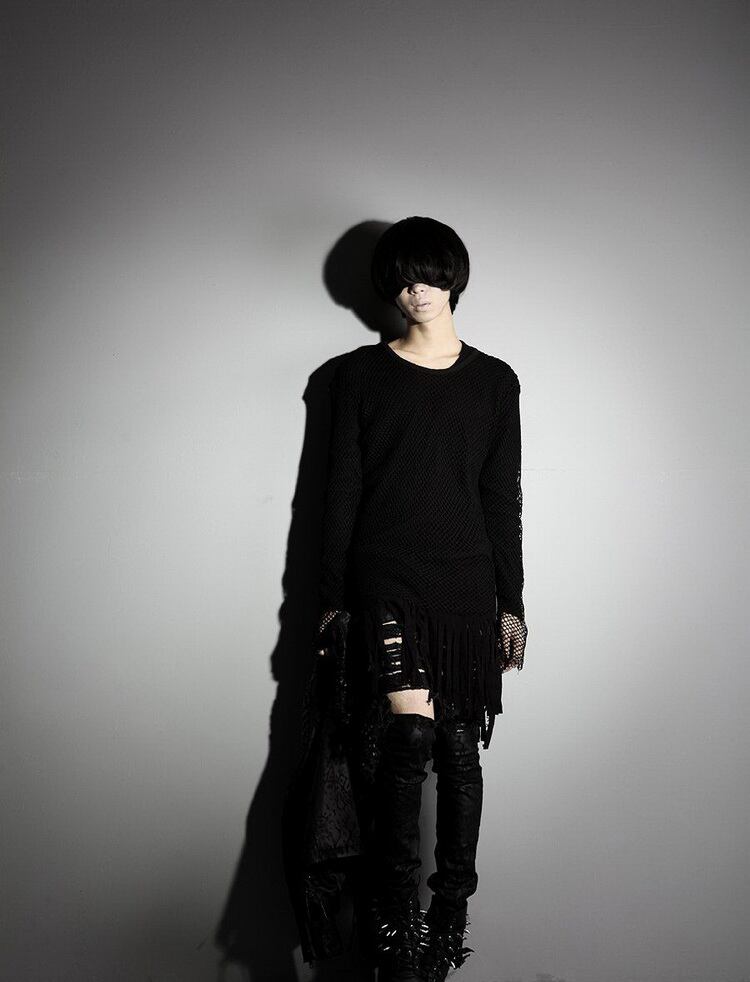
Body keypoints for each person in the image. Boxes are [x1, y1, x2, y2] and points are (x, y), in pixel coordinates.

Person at [315, 216, 528, 982]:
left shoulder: (495, 381)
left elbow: (501, 498)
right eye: (403, 279)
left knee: (460, 751)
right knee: (406, 743)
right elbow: (339, 491)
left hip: (467, 587)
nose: (417, 290)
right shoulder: (357, 377)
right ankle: (396, 930)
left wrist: (512, 603)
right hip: (389, 582)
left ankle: (448, 924)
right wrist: (330, 599)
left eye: (431, 274)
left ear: (453, 276)